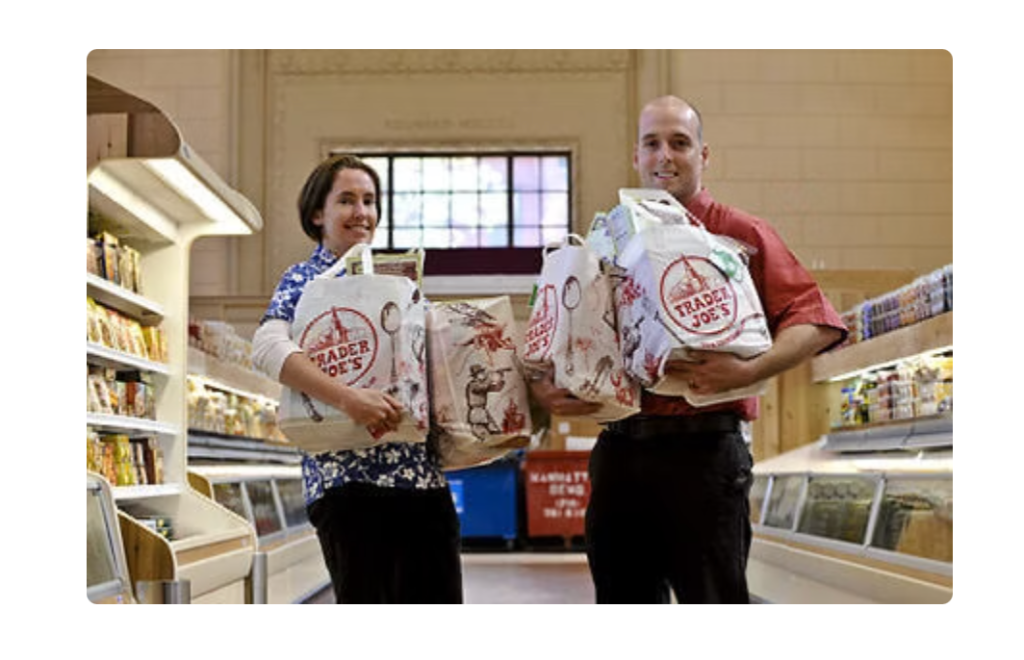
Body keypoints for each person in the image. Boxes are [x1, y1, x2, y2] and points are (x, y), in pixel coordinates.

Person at [528, 96, 848, 604]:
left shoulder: (741, 233)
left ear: (704, 155)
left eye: (680, 142)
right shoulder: (605, 241)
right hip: (619, 453)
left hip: (705, 453)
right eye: (652, 143)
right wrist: (550, 386)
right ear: (636, 156)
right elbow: (562, 344)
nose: (665, 156)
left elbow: (817, 321)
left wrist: (749, 370)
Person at [252, 154, 463, 604]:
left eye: (369, 200)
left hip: (423, 481)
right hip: (349, 483)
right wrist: (348, 399)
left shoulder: (400, 283)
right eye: (346, 200)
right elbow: (268, 347)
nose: (361, 212)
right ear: (317, 213)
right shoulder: (305, 280)